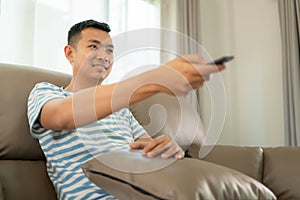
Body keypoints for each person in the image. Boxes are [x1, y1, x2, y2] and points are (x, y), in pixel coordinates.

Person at [27, 19, 225, 200]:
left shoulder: (121, 110)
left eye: (110, 51)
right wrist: (153, 80)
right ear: (70, 53)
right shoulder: (46, 92)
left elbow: (148, 147)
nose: (104, 56)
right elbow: (62, 116)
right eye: (93, 46)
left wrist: (167, 150)